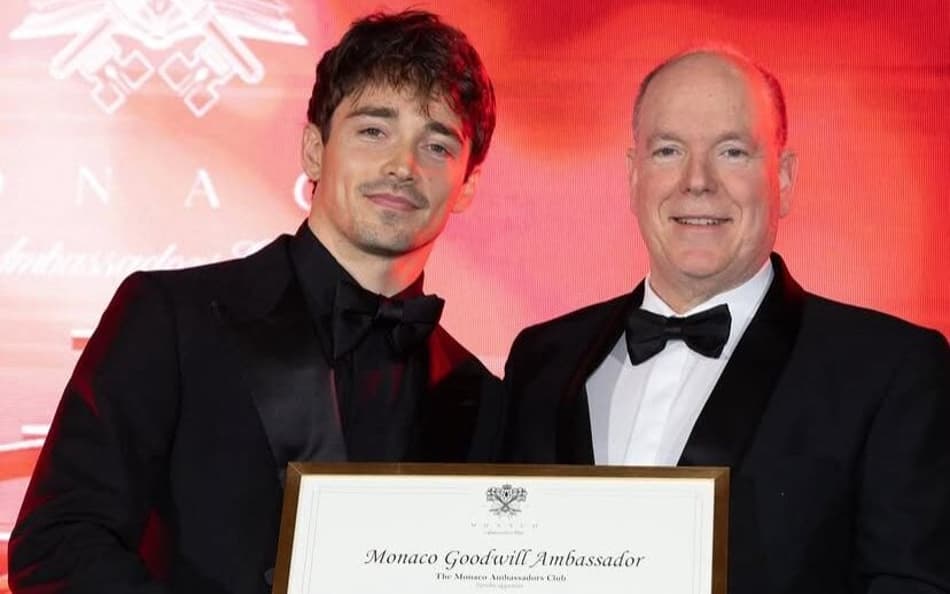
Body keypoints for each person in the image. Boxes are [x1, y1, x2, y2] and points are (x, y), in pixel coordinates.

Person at [10, 10, 502, 594]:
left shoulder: (483, 398)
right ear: (315, 150)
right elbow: (58, 544)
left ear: (468, 183)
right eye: (374, 129)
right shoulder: (170, 318)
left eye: (438, 144)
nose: (403, 165)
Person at [502, 48, 950, 593]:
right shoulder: (541, 359)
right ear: (632, 175)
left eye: (732, 152)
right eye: (668, 150)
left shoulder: (890, 370)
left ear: (783, 179)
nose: (697, 181)